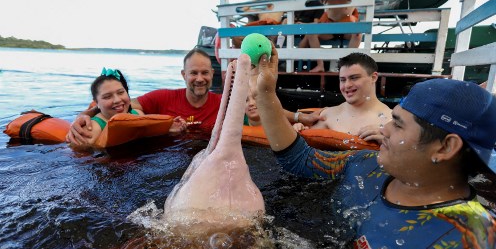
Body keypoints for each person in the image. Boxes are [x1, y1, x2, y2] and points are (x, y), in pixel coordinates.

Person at [253, 44, 496, 249]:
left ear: (445, 147)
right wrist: (266, 93)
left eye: (398, 124)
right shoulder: (364, 164)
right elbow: (299, 159)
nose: (385, 130)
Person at [67, 48, 320, 145]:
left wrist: (298, 116)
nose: (199, 78)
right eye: (193, 73)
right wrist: (86, 114)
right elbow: (124, 108)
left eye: (204, 73)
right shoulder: (162, 97)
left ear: (212, 75)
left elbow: (260, 109)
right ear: (183, 74)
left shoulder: (224, 103)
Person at [293, 52, 391, 143]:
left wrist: (390, 144)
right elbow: (303, 151)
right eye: (343, 80)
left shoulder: (391, 120)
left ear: (373, 77)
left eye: (354, 78)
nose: (347, 85)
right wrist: (298, 131)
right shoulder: (328, 116)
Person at [75, 68, 185, 147]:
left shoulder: (137, 114)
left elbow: (149, 132)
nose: (117, 100)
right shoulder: (93, 127)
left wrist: (167, 128)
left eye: (121, 92)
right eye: (107, 96)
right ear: (96, 103)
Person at [300, 0, 362, 72]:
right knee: (311, 33)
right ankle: (320, 65)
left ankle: (348, 65)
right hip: (330, 29)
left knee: (358, 33)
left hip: (346, 28)